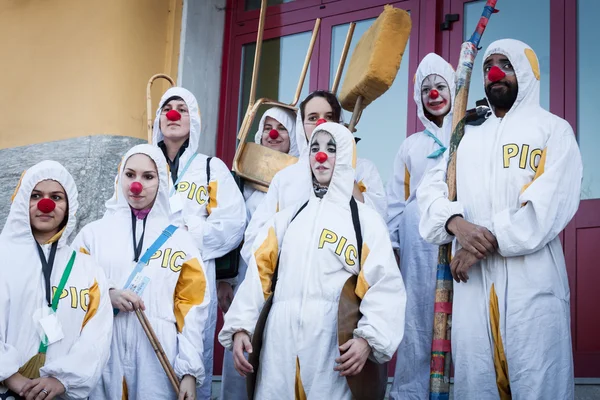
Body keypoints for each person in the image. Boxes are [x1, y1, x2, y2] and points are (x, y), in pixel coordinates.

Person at [417, 39, 581, 399]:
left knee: (538, 379)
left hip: (531, 281)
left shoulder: (553, 131)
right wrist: (454, 224)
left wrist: (481, 243)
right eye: (490, 65)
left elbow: (548, 205)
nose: (494, 73)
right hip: (472, 288)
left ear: (526, 72)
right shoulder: (465, 135)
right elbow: (430, 193)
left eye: (506, 65)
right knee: (477, 382)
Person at [219, 122, 405, 398]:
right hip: (278, 345)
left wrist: (369, 338)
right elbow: (258, 278)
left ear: (345, 156)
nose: (321, 155)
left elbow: (384, 285)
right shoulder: (285, 220)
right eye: (314, 148)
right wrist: (241, 327)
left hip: (332, 346)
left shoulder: (365, 222)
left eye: (331, 149)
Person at [73, 145, 210, 400]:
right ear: (120, 178)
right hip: (103, 351)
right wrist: (108, 295)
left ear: (162, 180)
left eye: (148, 176)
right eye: (130, 175)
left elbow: (193, 309)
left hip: (158, 354)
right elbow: (72, 290)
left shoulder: (181, 241)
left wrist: (189, 372)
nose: (137, 184)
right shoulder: (92, 235)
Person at [149, 87, 247, 399]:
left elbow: (233, 221)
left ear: (195, 121)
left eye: (182, 109)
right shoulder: (144, 165)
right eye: (167, 108)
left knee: (192, 353)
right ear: (158, 120)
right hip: (149, 272)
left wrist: (188, 235)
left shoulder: (210, 167)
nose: (173, 114)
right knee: (148, 347)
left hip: (195, 274)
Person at [0, 161, 112, 400]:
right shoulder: (2, 257)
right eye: (36, 195)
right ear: (21, 201)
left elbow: (97, 335)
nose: (45, 204)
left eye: (57, 197)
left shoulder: (88, 269)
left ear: (69, 206)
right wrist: (12, 378)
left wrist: (62, 380)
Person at [241, 90, 386, 267]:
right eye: (312, 117)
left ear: (339, 122)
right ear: (302, 125)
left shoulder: (363, 170)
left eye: (329, 116)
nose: (321, 123)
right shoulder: (286, 178)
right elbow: (255, 239)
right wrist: (285, 270)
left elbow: (378, 228)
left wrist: (345, 171)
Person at [386, 53, 455, 399]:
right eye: (426, 88)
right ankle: (411, 391)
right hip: (418, 242)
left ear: (453, 89)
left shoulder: (470, 133)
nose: (434, 93)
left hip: (460, 235)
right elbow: (396, 201)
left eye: (440, 85)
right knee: (417, 314)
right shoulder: (411, 145)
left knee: (464, 314)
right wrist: (394, 247)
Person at [218, 106, 297, 400]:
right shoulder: (238, 181)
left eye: (282, 128)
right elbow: (230, 234)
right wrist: (224, 279)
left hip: (285, 283)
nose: (273, 134)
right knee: (241, 350)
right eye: (267, 127)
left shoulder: (298, 183)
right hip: (245, 282)